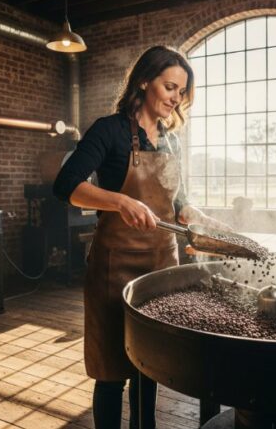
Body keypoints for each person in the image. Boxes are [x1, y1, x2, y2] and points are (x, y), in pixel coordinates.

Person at [53, 45, 230, 429]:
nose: (176, 98)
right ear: (145, 81)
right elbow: (66, 185)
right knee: (111, 369)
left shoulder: (172, 140)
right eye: (170, 87)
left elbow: (175, 200)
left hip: (160, 267)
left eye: (182, 92)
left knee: (148, 365)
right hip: (114, 266)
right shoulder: (109, 130)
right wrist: (119, 201)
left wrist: (192, 212)